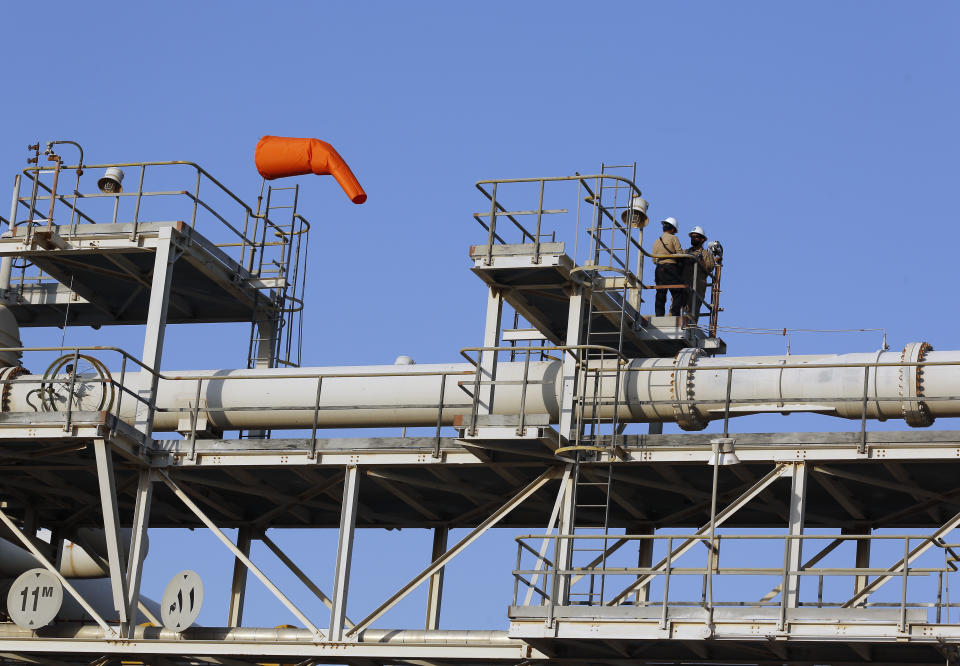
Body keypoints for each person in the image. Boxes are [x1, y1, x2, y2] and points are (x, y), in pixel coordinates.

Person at [651, 217, 686, 317]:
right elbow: (680, 254)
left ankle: (659, 316)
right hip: (671, 269)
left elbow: (654, 260)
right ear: (673, 229)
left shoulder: (656, 241)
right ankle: (675, 314)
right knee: (678, 292)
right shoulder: (673, 238)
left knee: (660, 294)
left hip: (659, 270)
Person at [684, 225, 716, 320]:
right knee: (676, 307)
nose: (693, 238)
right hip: (684, 284)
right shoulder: (685, 252)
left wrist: (701, 261)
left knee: (693, 311)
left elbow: (710, 268)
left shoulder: (706, 254)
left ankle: (691, 328)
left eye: (696, 237)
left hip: (697, 287)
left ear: (702, 240)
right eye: (692, 236)